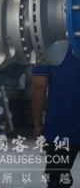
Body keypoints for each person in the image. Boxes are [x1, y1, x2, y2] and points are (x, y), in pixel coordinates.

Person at [32, 47, 80, 188]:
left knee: (58, 179)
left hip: (62, 125)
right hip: (63, 124)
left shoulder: (47, 40)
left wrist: (38, 124)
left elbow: (39, 86)